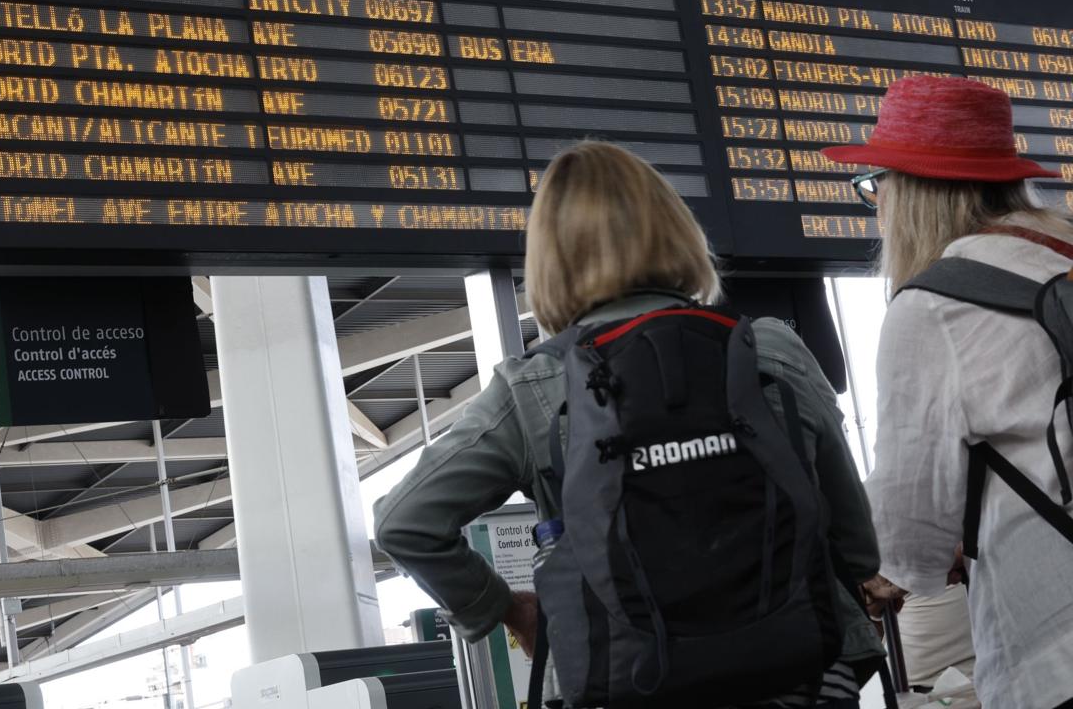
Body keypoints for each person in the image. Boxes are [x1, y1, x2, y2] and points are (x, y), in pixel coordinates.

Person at [374, 140, 883, 708]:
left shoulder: (533, 390)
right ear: (676, 229)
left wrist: (503, 607)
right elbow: (859, 549)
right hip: (800, 674)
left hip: (623, 680)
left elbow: (403, 522)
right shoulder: (770, 350)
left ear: (549, 259)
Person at [823, 75, 1073, 709]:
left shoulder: (936, 305)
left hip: (1055, 651)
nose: (874, 202)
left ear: (908, 192)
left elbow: (912, 536)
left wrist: (879, 577)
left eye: (874, 185)